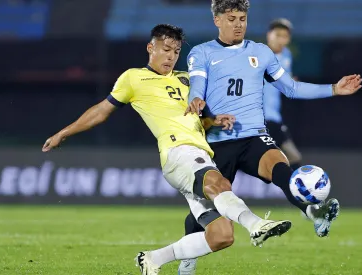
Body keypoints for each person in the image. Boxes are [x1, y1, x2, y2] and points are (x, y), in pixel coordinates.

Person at [41, 24, 292, 275]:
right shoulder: (133, 77)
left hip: (200, 155)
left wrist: (212, 121)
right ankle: (257, 224)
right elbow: (101, 111)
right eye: (165, 49)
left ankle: (153, 259)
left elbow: (196, 119)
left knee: (222, 236)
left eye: (176, 51)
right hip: (178, 152)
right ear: (151, 48)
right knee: (221, 184)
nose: (171, 56)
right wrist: (63, 133)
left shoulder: (185, 79)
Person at [178, 1, 362, 274]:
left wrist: (334, 88)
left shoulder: (260, 53)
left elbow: (291, 88)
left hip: (254, 136)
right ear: (217, 20)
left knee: (281, 168)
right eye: (231, 18)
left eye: (242, 18)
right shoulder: (202, 52)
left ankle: (314, 212)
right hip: (216, 141)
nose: (239, 23)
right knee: (204, 210)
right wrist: (196, 100)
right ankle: (187, 258)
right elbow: (197, 85)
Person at [263, 18, 302, 170]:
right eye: (277, 34)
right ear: (269, 35)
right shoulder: (258, 56)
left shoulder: (286, 55)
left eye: (284, 36)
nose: (280, 39)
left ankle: (298, 191)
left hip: (274, 119)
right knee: (291, 157)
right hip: (258, 120)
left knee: (293, 158)